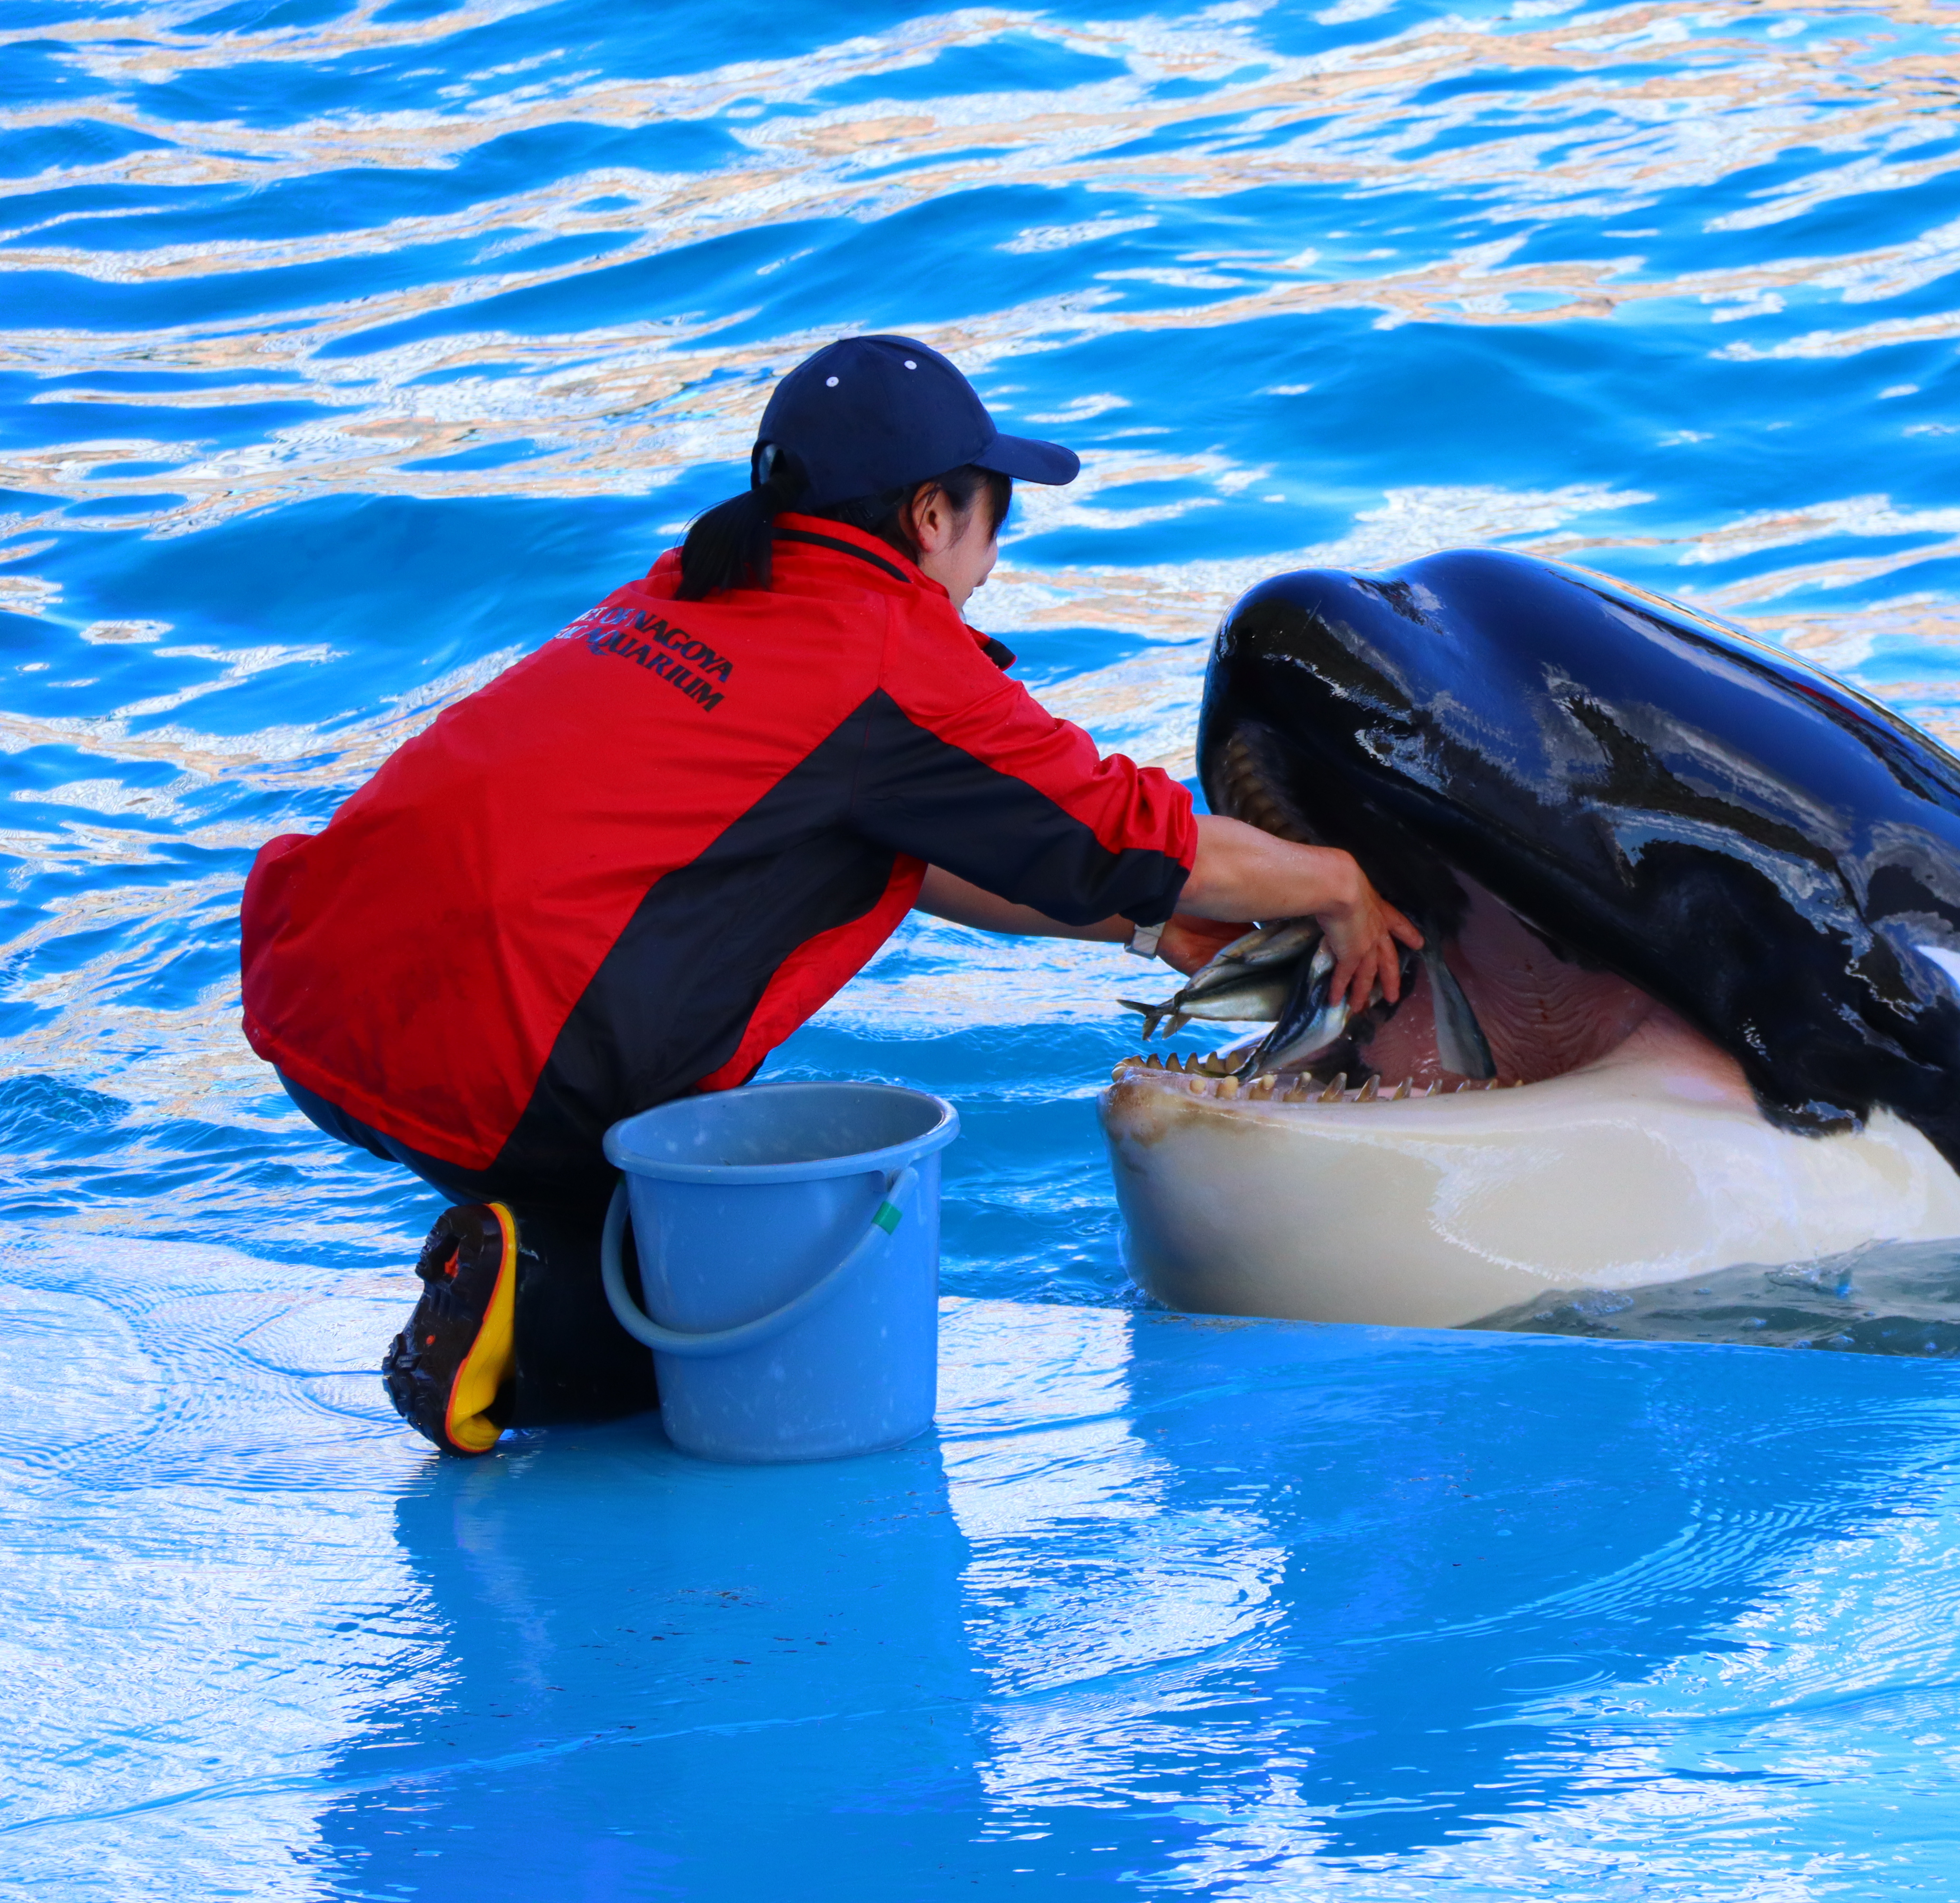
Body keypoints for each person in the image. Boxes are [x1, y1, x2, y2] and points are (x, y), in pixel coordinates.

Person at [240, 334, 1418, 1457]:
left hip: (318, 1004)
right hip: (495, 1068)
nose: (997, 553)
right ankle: (539, 1297)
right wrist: (1343, 886)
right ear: (929, 515)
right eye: (993, 513)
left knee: (662, 1190)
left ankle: (526, 1238)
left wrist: (1143, 921)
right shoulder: (884, 654)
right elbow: (1127, 824)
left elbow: (909, 847)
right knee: (718, 1344)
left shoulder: (697, 594)